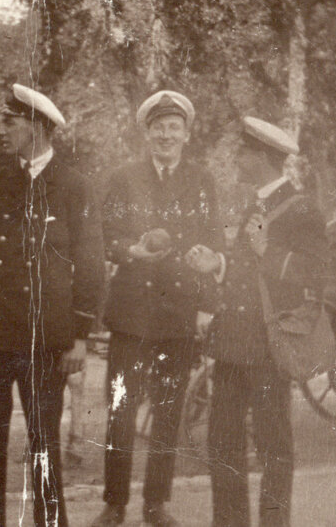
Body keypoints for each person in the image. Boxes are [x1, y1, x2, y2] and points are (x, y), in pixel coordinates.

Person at [0, 83, 106, 527]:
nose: (3, 130)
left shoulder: (75, 187)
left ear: (38, 127)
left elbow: (91, 267)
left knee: (43, 441)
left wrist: (80, 337)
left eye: (11, 122)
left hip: (46, 339)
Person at [91, 91, 225, 527]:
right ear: (146, 132)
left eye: (174, 128)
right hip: (132, 312)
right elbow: (102, 236)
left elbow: (214, 242)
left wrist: (205, 307)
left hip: (178, 315)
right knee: (121, 409)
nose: (166, 135)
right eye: (158, 127)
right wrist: (129, 249)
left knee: (168, 411)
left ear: (186, 135)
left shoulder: (202, 181)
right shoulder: (122, 177)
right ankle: (115, 503)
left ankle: (156, 503)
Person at [195, 116, 327, 527]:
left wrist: (268, 251)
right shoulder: (254, 202)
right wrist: (215, 266)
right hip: (233, 344)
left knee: (274, 448)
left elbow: (315, 273)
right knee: (223, 445)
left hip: (269, 348)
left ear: (263, 158)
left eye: (244, 153)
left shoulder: (302, 208)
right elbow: (242, 271)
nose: (237, 159)